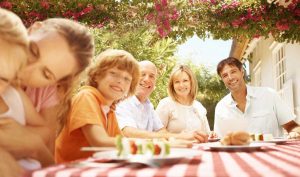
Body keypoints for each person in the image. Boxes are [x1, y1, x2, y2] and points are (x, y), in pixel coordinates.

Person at [55, 49, 140, 163]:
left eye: (127, 79)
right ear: (96, 76)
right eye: (113, 73)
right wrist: (150, 144)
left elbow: (119, 141)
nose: (120, 81)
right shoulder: (86, 97)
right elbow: (100, 141)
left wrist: (160, 143)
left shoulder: (108, 109)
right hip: (69, 170)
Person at [0, 8, 53, 170]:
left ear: (12, 80)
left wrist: (29, 141)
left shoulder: (13, 95)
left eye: (1, 79)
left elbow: (44, 129)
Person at [116, 61, 208, 143]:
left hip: (144, 156)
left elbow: (161, 132)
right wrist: (180, 136)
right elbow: (129, 132)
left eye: (151, 76)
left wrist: (180, 142)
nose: (147, 79)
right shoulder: (122, 101)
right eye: (142, 74)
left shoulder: (148, 106)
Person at [214, 57, 300, 138]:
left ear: (242, 72)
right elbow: (220, 139)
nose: (230, 77)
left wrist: (295, 133)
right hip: (237, 153)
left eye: (233, 71)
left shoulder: (269, 95)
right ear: (222, 80)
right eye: (225, 75)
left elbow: (292, 126)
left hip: (270, 153)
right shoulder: (221, 107)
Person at [156, 65, 212, 141]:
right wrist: (178, 138)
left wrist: (211, 134)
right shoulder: (165, 104)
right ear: (172, 86)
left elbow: (206, 134)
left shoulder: (199, 106)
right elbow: (157, 133)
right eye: (177, 82)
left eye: (185, 81)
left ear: (191, 83)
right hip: (174, 151)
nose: (181, 85)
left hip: (197, 151)